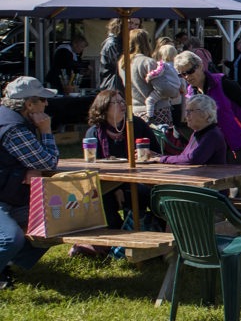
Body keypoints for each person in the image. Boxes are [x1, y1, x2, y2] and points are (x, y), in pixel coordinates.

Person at [0, 77, 61, 289]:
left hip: (10, 196)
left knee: (56, 224)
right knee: (10, 238)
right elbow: (48, 162)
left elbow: (34, 162)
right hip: (4, 200)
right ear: (29, 104)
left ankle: (5, 264)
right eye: (42, 100)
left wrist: (29, 167)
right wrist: (46, 131)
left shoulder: (12, 120)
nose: (46, 104)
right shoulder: (13, 128)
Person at [84, 90, 160, 227]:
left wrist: (149, 154)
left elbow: (157, 152)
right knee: (102, 199)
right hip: (108, 182)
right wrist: (116, 188)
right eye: (116, 102)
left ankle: (148, 228)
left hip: (141, 178)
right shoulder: (95, 132)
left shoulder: (136, 124)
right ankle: (112, 238)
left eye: (122, 101)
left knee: (145, 195)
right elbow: (94, 166)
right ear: (104, 107)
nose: (122, 105)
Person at [175, 49, 241, 164]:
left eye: (190, 71)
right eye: (182, 74)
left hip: (238, 140)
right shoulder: (190, 93)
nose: (187, 77)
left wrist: (235, 123)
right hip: (212, 144)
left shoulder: (223, 83)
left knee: (240, 178)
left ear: (201, 66)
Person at [154, 94, 228, 165]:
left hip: (212, 177)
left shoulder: (212, 135)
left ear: (206, 114)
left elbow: (193, 158)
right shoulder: (197, 133)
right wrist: (159, 157)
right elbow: (184, 156)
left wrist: (161, 159)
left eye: (190, 111)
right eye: (186, 111)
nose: (186, 116)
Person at [145, 42, 183, 127]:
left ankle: (149, 117)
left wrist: (149, 76)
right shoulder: (176, 66)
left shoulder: (163, 64)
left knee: (150, 100)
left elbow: (158, 72)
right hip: (175, 88)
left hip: (166, 88)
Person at [99, 17, 140, 91]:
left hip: (122, 87)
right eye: (130, 23)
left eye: (136, 24)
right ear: (120, 24)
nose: (133, 27)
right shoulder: (113, 44)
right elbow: (121, 66)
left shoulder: (126, 43)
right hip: (114, 89)